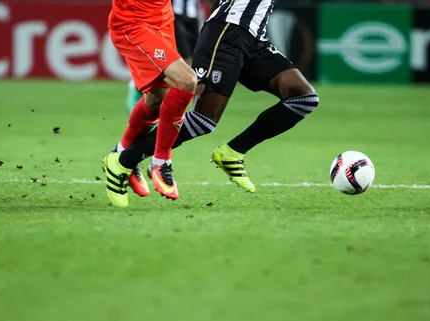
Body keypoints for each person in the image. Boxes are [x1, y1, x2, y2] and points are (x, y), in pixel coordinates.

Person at [115, 0, 320, 197]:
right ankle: (125, 158)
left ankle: (233, 152)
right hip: (227, 34)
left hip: (255, 37)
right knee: (203, 119)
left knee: (304, 98)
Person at [104, 0, 198, 207]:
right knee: (187, 80)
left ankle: (120, 155)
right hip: (133, 23)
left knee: (157, 98)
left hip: (163, 20)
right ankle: (161, 161)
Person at [125, 0, 201, 114]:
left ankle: (161, 102)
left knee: (189, 58)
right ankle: (137, 86)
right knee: (177, 58)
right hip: (173, 15)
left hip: (193, 15)